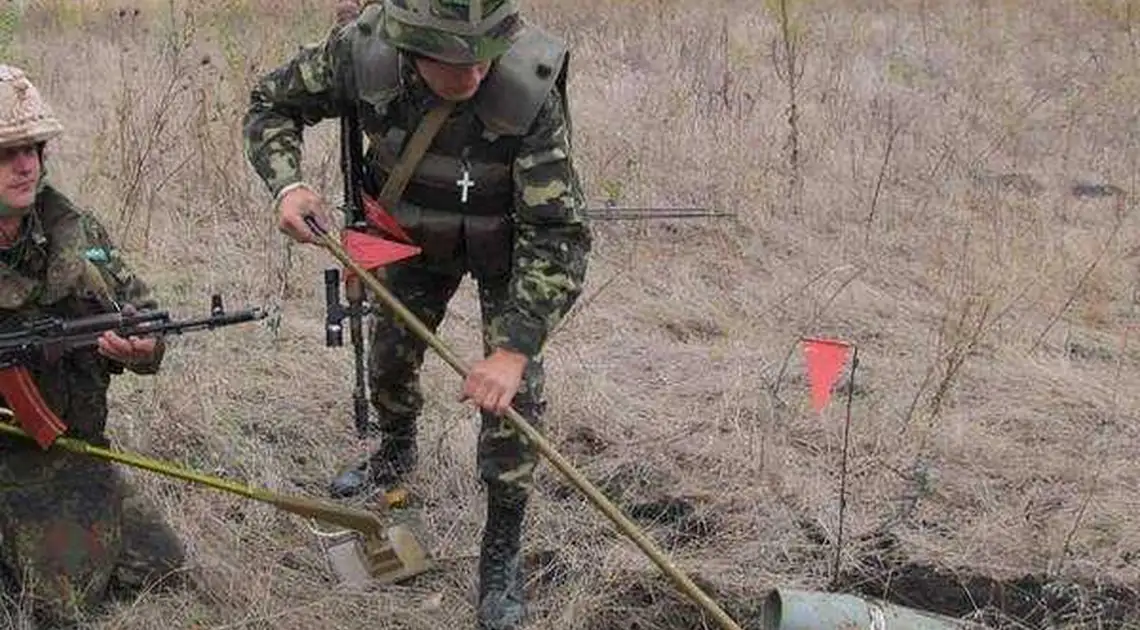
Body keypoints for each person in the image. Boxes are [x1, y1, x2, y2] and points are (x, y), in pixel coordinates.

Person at [242, 0, 591, 627]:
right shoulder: (360, 52)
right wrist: (288, 185)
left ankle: (501, 550)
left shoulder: (528, 82)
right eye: (456, 62)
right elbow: (271, 103)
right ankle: (397, 449)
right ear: (410, 48)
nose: (477, 76)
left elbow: (557, 233)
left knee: (513, 402)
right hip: (409, 234)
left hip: (506, 245)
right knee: (390, 357)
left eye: (485, 57)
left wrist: (511, 352)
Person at [0, 64, 187, 627]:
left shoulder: (76, 234)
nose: (26, 164)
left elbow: (142, 312)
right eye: (6, 152)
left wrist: (143, 348)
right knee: (60, 609)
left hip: (69, 447)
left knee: (163, 566)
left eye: (32, 147)